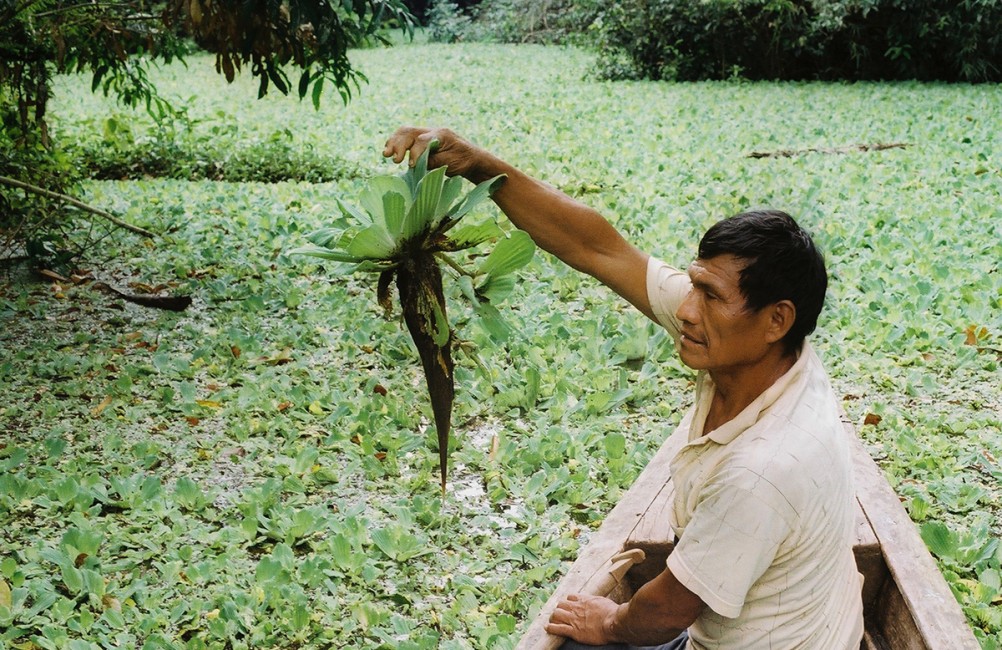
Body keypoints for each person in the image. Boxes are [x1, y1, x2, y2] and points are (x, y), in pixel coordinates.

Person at [383, 127, 865, 649]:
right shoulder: (769, 351)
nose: (684, 310)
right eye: (692, 284)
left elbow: (669, 610)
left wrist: (610, 622)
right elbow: (599, 248)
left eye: (708, 295)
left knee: (575, 640)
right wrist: (480, 166)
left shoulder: (764, 469)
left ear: (777, 319)